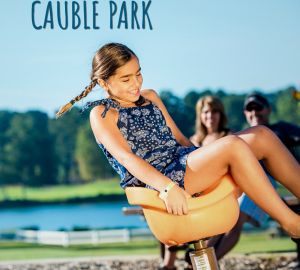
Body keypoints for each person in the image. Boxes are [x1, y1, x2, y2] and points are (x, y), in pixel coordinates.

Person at [56, 43, 300, 259]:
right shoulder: (101, 113)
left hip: (185, 163)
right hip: (162, 181)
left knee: (262, 135)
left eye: (138, 74)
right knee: (234, 145)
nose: (136, 83)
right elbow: (126, 158)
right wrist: (168, 187)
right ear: (103, 83)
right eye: (126, 79)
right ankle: (292, 225)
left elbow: (181, 140)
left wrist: (214, 166)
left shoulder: (150, 96)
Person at [206, 93, 300, 260]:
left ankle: (209, 263)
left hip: (264, 181)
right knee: (223, 221)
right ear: (245, 114)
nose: (254, 112)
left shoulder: (280, 129)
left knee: (235, 221)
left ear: (268, 110)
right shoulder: (244, 135)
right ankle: (200, 261)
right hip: (238, 182)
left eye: (258, 108)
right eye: (250, 109)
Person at [161, 95, 236, 270]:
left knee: (213, 220)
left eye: (215, 111)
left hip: (221, 191)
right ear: (200, 116)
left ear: (221, 114)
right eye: (206, 112)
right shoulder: (193, 141)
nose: (210, 116)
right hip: (196, 193)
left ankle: (195, 262)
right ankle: (168, 264)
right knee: (172, 210)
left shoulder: (230, 137)